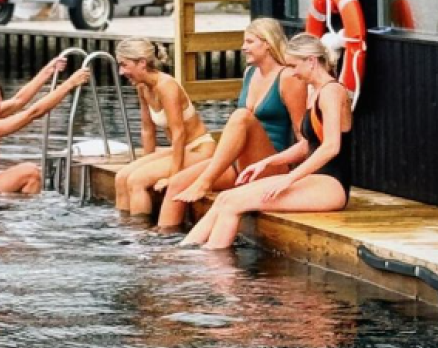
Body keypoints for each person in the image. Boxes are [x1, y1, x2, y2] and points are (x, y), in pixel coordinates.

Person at [182, 33, 353, 250]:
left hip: (331, 185)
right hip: (315, 180)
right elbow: (307, 145)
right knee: (225, 198)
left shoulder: (332, 92)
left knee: (234, 204)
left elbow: (331, 147)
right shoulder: (315, 92)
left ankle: (217, 271)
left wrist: (289, 178)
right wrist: (268, 162)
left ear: (311, 61)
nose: (292, 73)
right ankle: (184, 254)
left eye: (293, 66)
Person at [157, 18, 307, 230]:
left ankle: (205, 181)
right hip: (241, 164)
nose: (243, 47)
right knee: (176, 184)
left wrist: (296, 178)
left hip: (272, 166)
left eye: (249, 42)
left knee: (241, 116)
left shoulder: (288, 77)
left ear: (267, 43)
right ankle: (163, 246)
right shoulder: (249, 73)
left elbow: (304, 137)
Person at [0, 57, 91, 194]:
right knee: (30, 173)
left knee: (31, 172)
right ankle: (22, 216)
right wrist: (69, 84)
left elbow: (19, 100)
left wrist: (49, 70)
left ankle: (15, 208)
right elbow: (33, 113)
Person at [113, 37, 216, 218]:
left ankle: (140, 236)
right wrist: (146, 163)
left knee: (137, 181)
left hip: (201, 150)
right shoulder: (142, 87)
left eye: (124, 65)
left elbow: (178, 133)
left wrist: (173, 177)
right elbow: (148, 130)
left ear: (142, 63)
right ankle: (124, 231)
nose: (121, 72)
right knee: (122, 177)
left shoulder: (166, 86)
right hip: (181, 149)